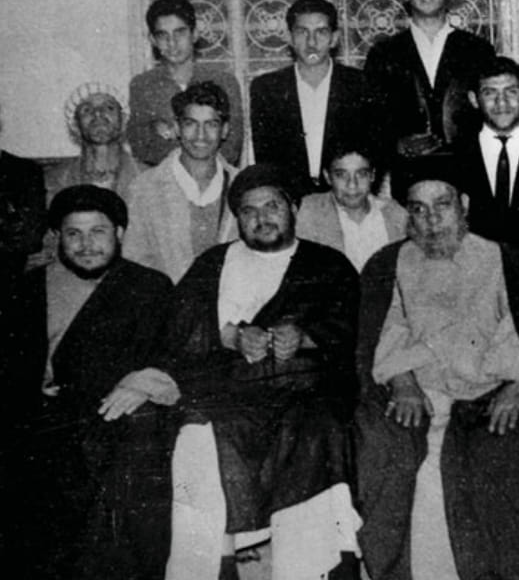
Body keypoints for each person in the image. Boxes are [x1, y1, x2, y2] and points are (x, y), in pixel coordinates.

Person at [159, 165, 361, 580]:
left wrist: (306, 338)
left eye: (272, 207)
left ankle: (303, 572)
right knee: (196, 436)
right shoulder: (213, 263)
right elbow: (177, 330)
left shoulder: (328, 264)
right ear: (237, 218)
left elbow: (351, 329)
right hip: (228, 394)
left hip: (303, 393)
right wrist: (230, 336)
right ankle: (210, 568)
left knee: (315, 433)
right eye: (249, 211)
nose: (261, 218)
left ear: (293, 209)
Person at [353, 159, 519, 580]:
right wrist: (402, 381)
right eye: (418, 209)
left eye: (442, 205)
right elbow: (384, 332)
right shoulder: (391, 263)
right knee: (388, 451)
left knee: (495, 458)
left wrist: (515, 387)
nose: (430, 219)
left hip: (488, 391)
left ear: (463, 205)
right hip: (418, 390)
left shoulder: (500, 258)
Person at [8, 185, 177, 580]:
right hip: (32, 423)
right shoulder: (26, 288)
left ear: (119, 233)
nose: (86, 245)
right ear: (57, 237)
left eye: (98, 232)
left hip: (107, 421)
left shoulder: (148, 287)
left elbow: (171, 354)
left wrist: (144, 380)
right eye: (74, 234)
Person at [364, 0, 494, 199]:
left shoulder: (477, 50)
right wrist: (396, 145)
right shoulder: (384, 54)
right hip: (408, 181)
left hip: (467, 179)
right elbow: (371, 122)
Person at [250, 0, 380, 196]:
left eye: (321, 32)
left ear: (334, 38)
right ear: (289, 37)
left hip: (347, 196)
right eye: (302, 32)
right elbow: (266, 160)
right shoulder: (267, 89)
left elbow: (373, 153)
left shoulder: (361, 85)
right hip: (291, 199)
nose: (311, 42)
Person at [123, 81, 238, 283]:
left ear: (225, 130)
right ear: (177, 128)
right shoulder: (143, 189)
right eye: (190, 124)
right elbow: (134, 262)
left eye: (211, 124)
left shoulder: (242, 186)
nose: (200, 135)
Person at [127, 0, 243, 167]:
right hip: (164, 179)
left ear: (194, 34)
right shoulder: (143, 85)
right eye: (163, 35)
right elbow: (141, 146)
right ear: (152, 40)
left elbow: (232, 146)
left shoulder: (224, 81)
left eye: (179, 33)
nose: (172, 43)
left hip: (215, 176)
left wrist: (170, 133)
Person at [297, 143, 407, 271]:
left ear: (372, 175)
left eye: (361, 174)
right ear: (327, 177)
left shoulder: (395, 213)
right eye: (341, 175)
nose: (352, 185)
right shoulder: (309, 211)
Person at [455, 56, 519, 244]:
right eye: (490, 93)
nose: (502, 102)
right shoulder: (453, 156)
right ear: (474, 99)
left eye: (511, 92)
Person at [46, 81, 140, 204]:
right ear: (75, 126)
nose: (98, 113)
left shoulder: (148, 176)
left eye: (109, 108)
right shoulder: (55, 180)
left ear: (123, 121)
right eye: (87, 109)